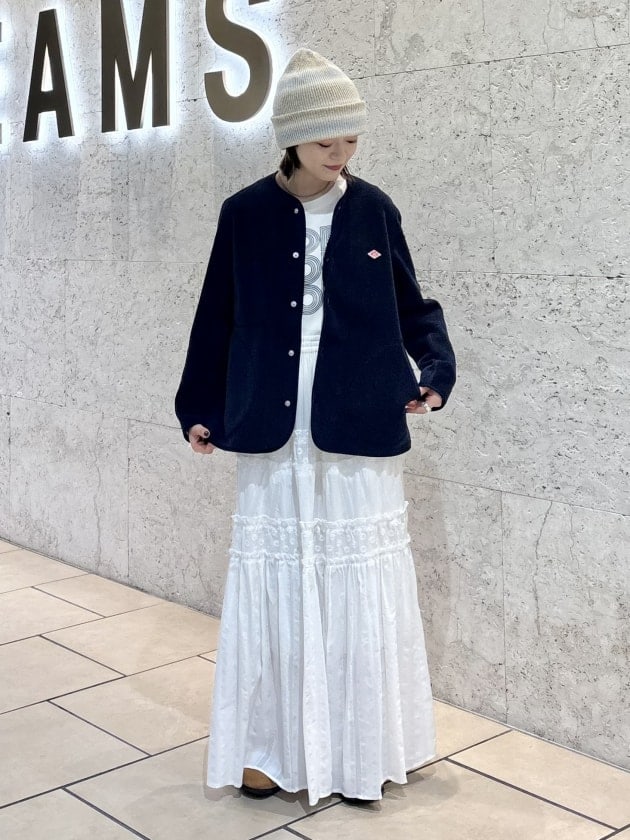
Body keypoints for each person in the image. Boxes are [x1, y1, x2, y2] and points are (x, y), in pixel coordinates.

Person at [175, 48, 456, 805]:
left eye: (351, 139)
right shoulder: (244, 214)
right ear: (292, 139)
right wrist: (198, 407)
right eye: (327, 140)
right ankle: (268, 748)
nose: (341, 154)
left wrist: (435, 373)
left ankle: (361, 751)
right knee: (277, 580)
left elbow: (413, 305)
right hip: (271, 415)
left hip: (358, 414)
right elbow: (216, 318)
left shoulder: (373, 208)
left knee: (352, 579)